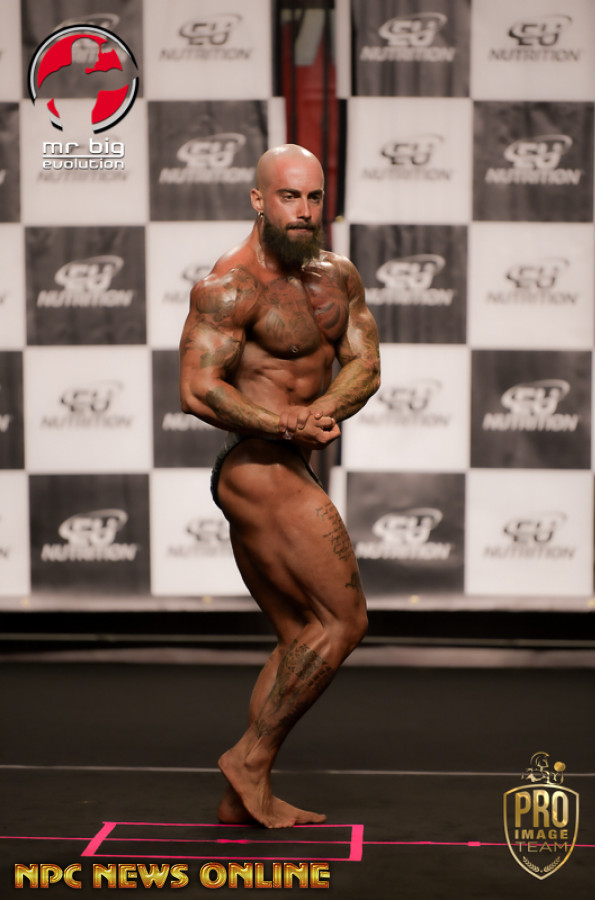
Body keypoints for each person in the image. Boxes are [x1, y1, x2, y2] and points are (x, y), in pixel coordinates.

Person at [179, 143, 380, 829]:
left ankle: (244, 795)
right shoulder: (230, 284)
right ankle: (249, 759)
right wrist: (283, 424)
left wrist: (322, 410)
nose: (304, 210)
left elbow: (365, 364)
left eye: (313, 196)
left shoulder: (337, 277)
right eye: (289, 196)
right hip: (256, 462)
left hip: (290, 456)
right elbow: (196, 389)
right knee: (345, 621)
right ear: (259, 201)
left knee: (301, 633)